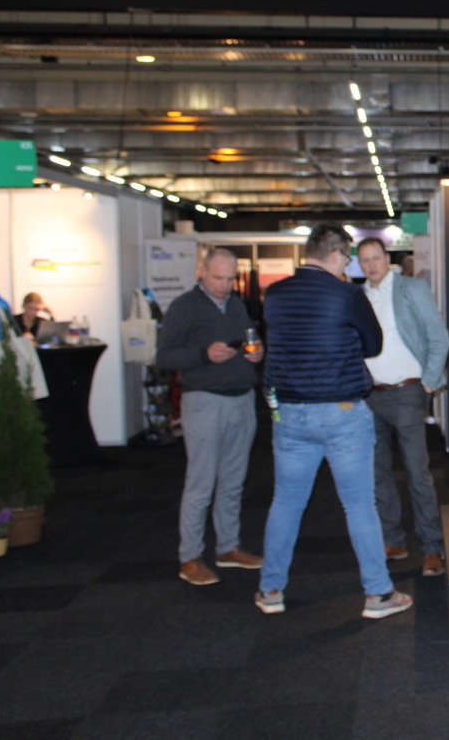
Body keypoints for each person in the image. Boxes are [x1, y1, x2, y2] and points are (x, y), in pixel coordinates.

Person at [255, 222, 412, 619]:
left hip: (289, 414)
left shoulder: (275, 294)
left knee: (286, 502)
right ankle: (378, 595)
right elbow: (373, 345)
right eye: (348, 257)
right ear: (338, 253)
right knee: (359, 505)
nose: (349, 265)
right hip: (341, 413)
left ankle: (270, 589)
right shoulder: (347, 295)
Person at [156, 248, 264, 586]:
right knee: (201, 483)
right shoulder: (184, 307)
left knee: (233, 480)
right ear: (201, 271)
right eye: (218, 278)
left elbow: (250, 339)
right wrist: (204, 355)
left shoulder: (236, 305)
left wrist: (256, 352)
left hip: (241, 398)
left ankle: (228, 547)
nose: (224, 285)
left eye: (230, 279)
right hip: (204, 400)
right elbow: (164, 356)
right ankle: (190, 556)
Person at [357, 238, 449, 576]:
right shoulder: (358, 297)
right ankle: (393, 540)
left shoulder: (411, 289)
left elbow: (440, 337)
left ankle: (432, 547)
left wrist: (429, 380)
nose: (371, 265)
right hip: (369, 396)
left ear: (387, 259)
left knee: (417, 472)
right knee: (377, 472)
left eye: (376, 258)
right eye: (365, 260)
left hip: (407, 392)